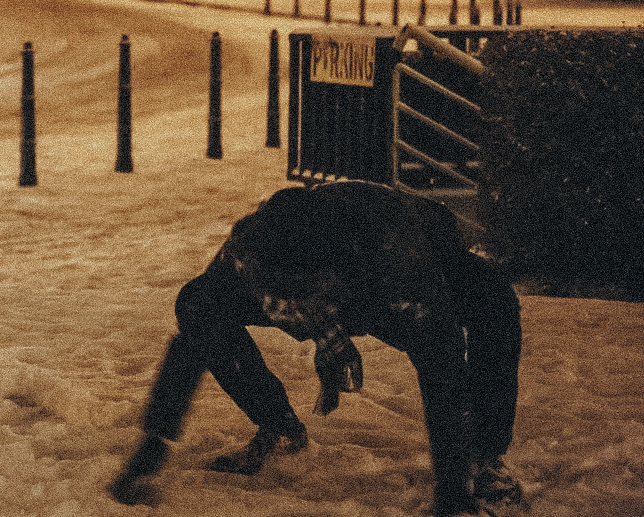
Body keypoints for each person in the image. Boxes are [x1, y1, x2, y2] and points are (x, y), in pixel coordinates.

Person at [109, 181, 522, 517]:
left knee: (495, 304)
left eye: (301, 295)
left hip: (420, 245)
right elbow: (197, 325)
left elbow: (442, 361)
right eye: (277, 292)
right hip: (335, 264)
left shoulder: (395, 264)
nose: (289, 308)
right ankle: (278, 423)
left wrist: (452, 490)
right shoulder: (250, 246)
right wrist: (154, 442)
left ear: (331, 278)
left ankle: (483, 457)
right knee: (200, 304)